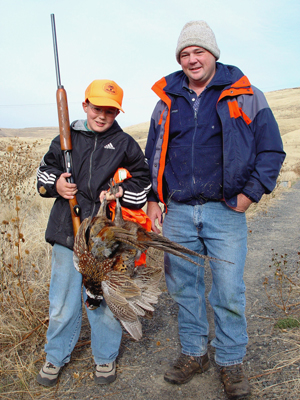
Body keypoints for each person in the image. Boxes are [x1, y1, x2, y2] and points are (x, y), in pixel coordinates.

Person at [145, 21, 285, 399]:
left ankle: (230, 360)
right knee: (184, 289)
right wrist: (155, 200)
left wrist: (249, 196)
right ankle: (194, 353)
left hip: (225, 212)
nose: (192, 59)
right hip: (177, 211)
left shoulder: (245, 94)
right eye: (184, 54)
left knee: (226, 290)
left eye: (198, 52)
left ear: (213, 54)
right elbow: (153, 156)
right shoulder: (166, 100)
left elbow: (272, 150)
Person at [36, 79, 151, 387]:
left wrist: (120, 191)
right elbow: (45, 172)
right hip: (66, 234)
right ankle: (55, 355)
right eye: (97, 108)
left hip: (104, 239)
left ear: (117, 113)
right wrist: (56, 185)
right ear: (85, 105)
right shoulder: (66, 137)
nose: (102, 116)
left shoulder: (125, 143)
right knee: (62, 302)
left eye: (110, 111)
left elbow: (143, 179)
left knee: (102, 301)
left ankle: (105, 357)